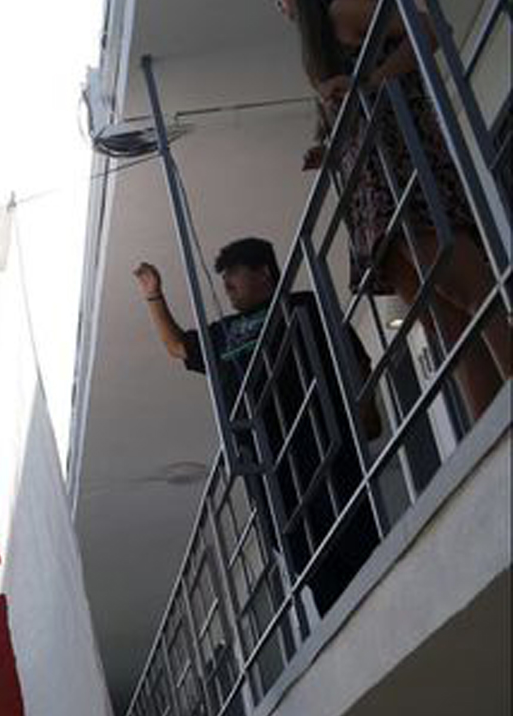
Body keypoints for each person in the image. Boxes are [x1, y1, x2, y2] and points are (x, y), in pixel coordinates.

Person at [277, 0, 508, 419]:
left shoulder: (342, 8)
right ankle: (490, 421)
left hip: (401, 163)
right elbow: (347, 108)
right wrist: (326, 143)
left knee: (465, 286)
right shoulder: (317, 48)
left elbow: (427, 29)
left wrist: (372, 80)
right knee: (442, 318)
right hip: (370, 182)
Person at [135, 238, 379, 614]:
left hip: (322, 441)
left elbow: (353, 358)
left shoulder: (302, 304)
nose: (227, 284)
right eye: (224, 277)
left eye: (233, 273)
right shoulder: (225, 331)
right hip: (269, 468)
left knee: (354, 538)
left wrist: (366, 409)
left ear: (263, 272)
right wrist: (154, 296)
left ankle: (380, 604)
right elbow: (178, 347)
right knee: (304, 558)